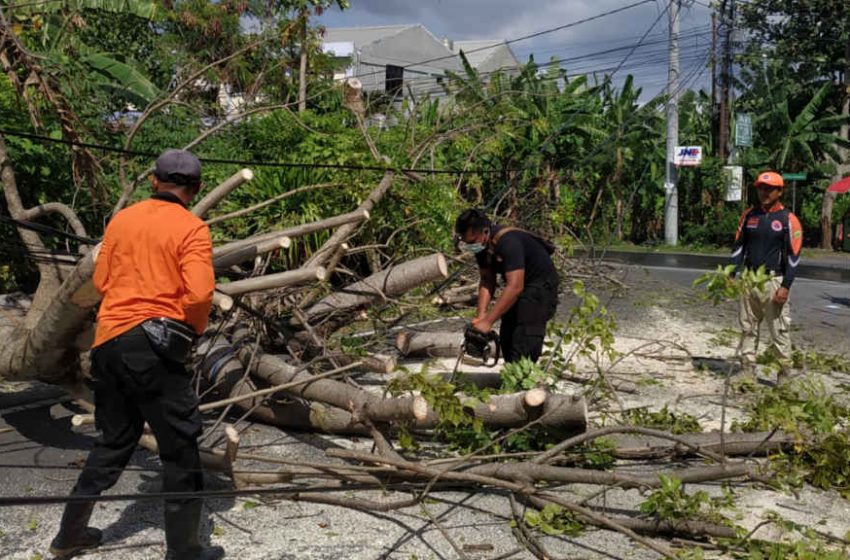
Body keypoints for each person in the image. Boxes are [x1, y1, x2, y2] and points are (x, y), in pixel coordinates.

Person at [50, 150, 222, 560]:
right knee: (180, 447)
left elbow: (104, 278)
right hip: (154, 348)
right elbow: (199, 293)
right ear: (196, 189)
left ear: (153, 182)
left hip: (108, 342)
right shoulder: (193, 228)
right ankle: (184, 551)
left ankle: (68, 536)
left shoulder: (122, 220)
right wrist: (191, 331)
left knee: (114, 440)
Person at [455, 209, 559, 364]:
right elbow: (486, 280)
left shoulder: (508, 242)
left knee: (524, 336)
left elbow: (515, 286)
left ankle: (524, 378)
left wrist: (488, 322)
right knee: (507, 334)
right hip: (520, 286)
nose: (470, 247)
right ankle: (510, 371)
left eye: (471, 242)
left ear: (485, 231)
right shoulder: (481, 246)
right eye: (465, 242)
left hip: (539, 287)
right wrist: (481, 315)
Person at [731, 171, 803, 382]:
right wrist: (732, 272)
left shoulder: (788, 219)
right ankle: (747, 369)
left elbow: (794, 256)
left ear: (780, 191)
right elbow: (738, 247)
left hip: (774, 281)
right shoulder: (749, 216)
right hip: (749, 279)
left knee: (779, 330)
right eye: (761, 188)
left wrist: (786, 285)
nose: (764, 192)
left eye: (769, 189)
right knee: (747, 327)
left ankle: (784, 374)